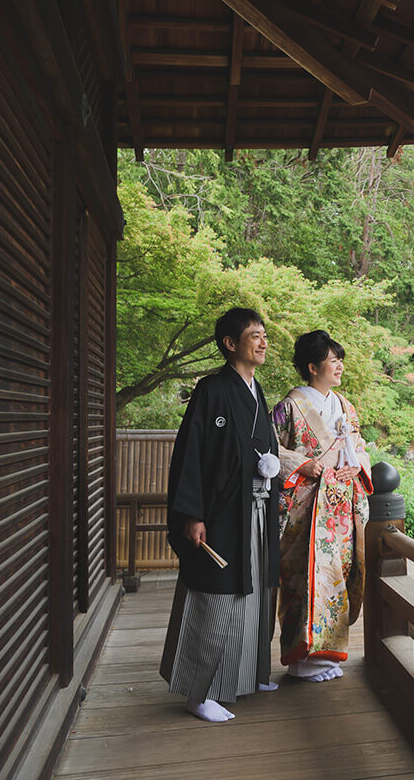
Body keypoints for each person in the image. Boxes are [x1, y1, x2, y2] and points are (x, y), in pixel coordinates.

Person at [159, 308, 282, 722]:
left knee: (254, 592)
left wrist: (269, 468)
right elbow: (191, 454)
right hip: (223, 511)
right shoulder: (212, 389)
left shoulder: (255, 389)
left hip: (256, 509)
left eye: (265, 335)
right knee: (216, 594)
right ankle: (198, 692)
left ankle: (244, 675)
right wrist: (192, 514)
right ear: (231, 343)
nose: (263, 342)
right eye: (254, 335)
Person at [273, 330, 372, 682]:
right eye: (333, 360)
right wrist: (302, 464)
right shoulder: (290, 406)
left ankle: (329, 657)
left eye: (339, 359)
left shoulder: (345, 406)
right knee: (304, 579)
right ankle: (303, 661)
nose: (340, 365)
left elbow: (359, 447)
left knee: (338, 578)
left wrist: (356, 465)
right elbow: (271, 450)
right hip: (306, 509)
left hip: (341, 505)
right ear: (313, 367)